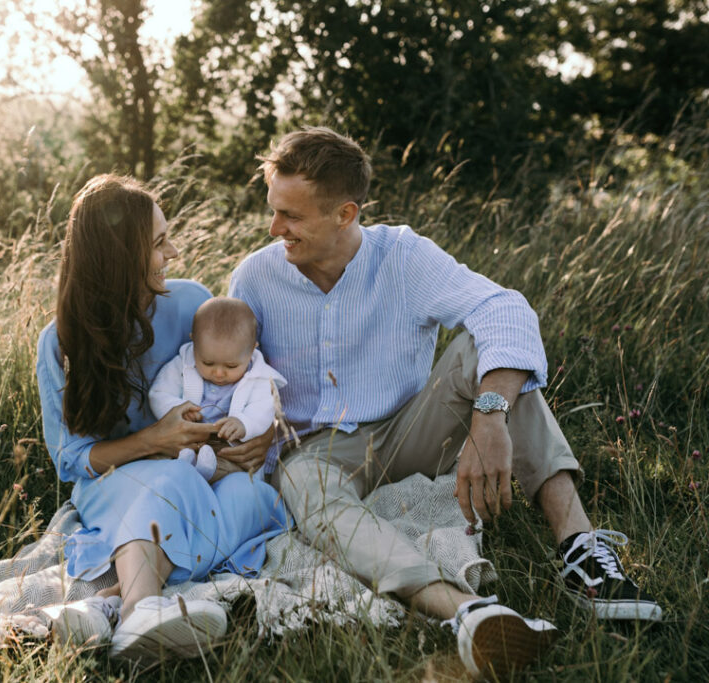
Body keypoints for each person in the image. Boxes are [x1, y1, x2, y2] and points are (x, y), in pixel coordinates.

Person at [228, 126, 663, 679]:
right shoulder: (256, 276)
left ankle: (580, 552)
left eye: (291, 215)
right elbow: (229, 378)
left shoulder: (404, 256)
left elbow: (504, 309)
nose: (275, 228)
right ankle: (468, 613)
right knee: (304, 484)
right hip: (316, 453)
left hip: (410, 431)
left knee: (491, 354)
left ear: (345, 213)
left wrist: (490, 416)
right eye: (273, 210)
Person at [35, 174, 290, 662]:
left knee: (255, 497)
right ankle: (140, 613)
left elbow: (246, 377)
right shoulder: (61, 341)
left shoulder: (193, 302)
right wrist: (155, 439)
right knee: (168, 479)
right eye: (158, 243)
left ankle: (107, 608)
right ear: (118, 256)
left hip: (210, 473)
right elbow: (70, 460)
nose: (172, 252)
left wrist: (265, 431)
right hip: (118, 481)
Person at [148, 296, 287, 482]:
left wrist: (243, 423)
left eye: (231, 366)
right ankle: (184, 465)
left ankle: (204, 471)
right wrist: (177, 409)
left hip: (227, 449)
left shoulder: (259, 378)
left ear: (251, 351)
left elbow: (264, 410)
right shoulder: (182, 364)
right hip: (186, 442)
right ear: (194, 343)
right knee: (156, 459)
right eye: (207, 362)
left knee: (234, 471)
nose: (219, 373)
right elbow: (159, 393)